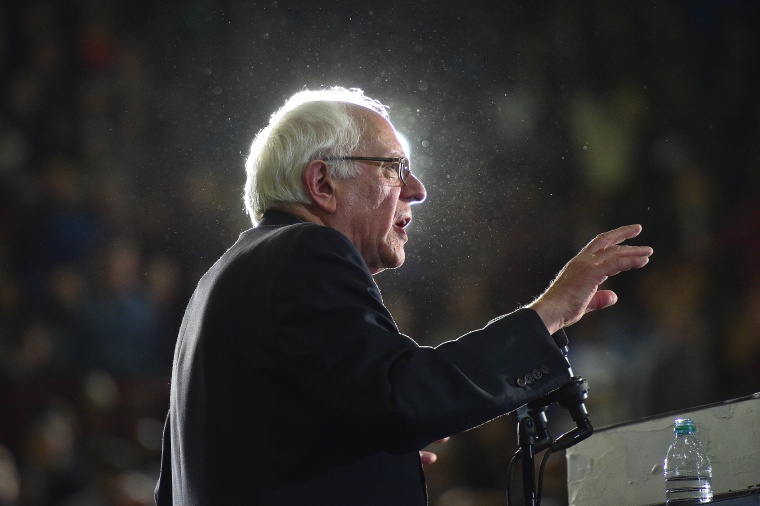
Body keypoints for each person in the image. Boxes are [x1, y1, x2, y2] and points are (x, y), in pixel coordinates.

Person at [154, 87, 652, 505]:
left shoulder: (218, 282)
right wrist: (547, 313)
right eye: (393, 168)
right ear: (322, 183)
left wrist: (369, 458)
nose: (417, 189)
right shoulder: (309, 252)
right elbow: (404, 397)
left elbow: (192, 478)